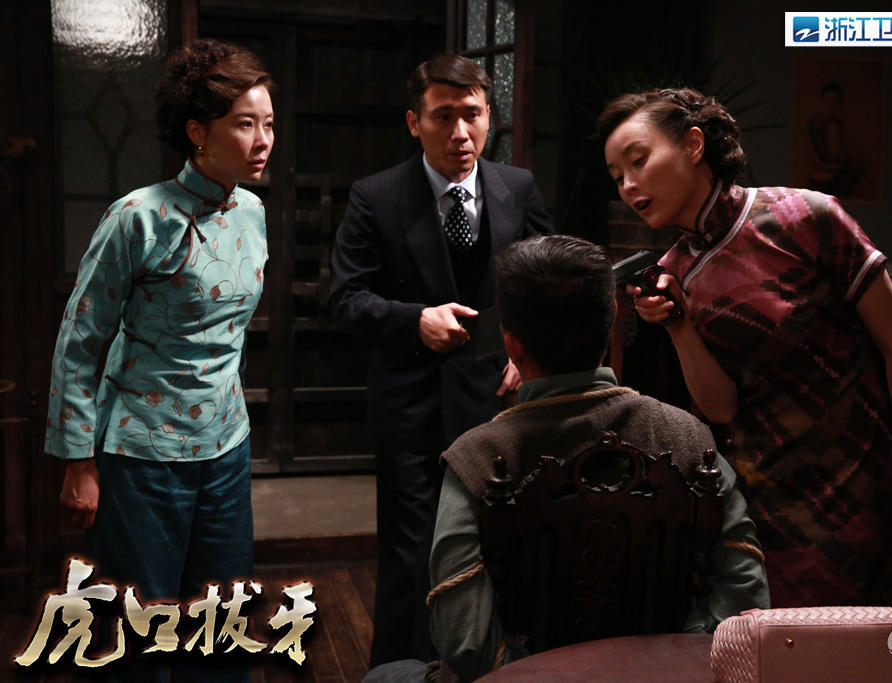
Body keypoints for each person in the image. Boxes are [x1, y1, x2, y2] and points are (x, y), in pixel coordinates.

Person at [599, 87, 892, 607]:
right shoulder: (672, 272)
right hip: (760, 503)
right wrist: (678, 326)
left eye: (638, 161)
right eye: (617, 175)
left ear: (693, 145)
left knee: (853, 642)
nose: (628, 184)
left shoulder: (805, 217)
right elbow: (721, 408)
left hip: (857, 482)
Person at [420, 235, 768, 681]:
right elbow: (745, 600)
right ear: (610, 323)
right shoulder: (689, 439)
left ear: (512, 345)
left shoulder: (477, 458)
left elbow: (465, 641)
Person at [45, 39, 274, 679]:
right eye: (245, 124)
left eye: (268, 123)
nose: (263, 140)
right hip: (141, 454)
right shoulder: (136, 217)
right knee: (137, 633)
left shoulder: (253, 212)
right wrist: (78, 462)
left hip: (225, 449)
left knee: (220, 624)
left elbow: (228, 335)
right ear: (198, 132)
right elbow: (79, 341)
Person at [329, 54, 552, 666]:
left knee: (499, 546)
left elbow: (546, 282)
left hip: (499, 401)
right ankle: (401, 673)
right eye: (443, 116)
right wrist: (414, 320)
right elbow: (345, 299)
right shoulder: (376, 195)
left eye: (472, 115)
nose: (460, 132)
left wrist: (528, 352)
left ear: (490, 117)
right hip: (411, 407)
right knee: (412, 556)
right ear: (414, 122)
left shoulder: (517, 187)